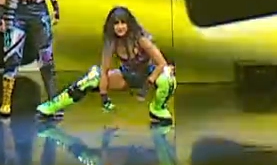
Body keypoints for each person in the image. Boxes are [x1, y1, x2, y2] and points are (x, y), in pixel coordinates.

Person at [35, 6, 176, 124]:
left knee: (168, 77)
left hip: (148, 75)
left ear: (129, 24)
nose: (120, 27)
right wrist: (104, 97)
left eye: (123, 23)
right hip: (126, 76)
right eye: (116, 23)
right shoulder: (111, 42)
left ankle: (158, 109)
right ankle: (52, 107)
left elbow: (162, 63)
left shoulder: (141, 39)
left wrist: (147, 85)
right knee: (92, 76)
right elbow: (104, 70)